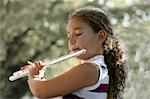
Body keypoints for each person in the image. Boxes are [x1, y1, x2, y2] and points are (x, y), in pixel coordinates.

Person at [24, 6, 128, 99]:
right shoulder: (99, 69)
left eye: (78, 34)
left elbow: (41, 91)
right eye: (69, 37)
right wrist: (40, 77)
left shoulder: (90, 69)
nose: (71, 41)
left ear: (100, 37)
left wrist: (33, 76)